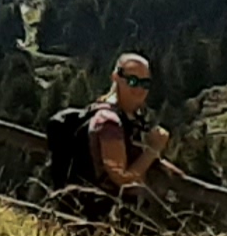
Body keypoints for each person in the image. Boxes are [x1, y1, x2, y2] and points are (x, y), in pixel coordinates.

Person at [48, 52, 176, 224]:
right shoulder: (109, 122)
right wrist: (153, 149)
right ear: (116, 78)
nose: (139, 89)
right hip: (97, 220)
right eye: (132, 81)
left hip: (107, 217)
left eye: (145, 84)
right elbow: (122, 178)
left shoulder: (129, 118)